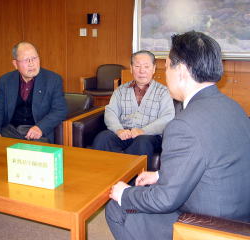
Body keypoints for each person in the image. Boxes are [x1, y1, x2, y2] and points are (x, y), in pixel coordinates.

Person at [105, 31, 250, 240]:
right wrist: (159, 176)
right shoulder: (232, 106)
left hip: (215, 224)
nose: (165, 74)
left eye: (167, 66)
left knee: (118, 209)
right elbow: (210, 160)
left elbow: (165, 200)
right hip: (238, 211)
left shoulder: (184, 124)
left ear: (180, 70)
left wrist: (125, 193)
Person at [92, 50, 175, 170]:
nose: (142, 71)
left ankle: (133, 184)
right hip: (124, 133)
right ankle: (103, 177)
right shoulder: (120, 90)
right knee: (103, 138)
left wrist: (143, 131)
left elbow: (167, 118)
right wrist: (118, 130)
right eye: (137, 66)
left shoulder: (164, 92)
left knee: (142, 142)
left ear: (153, 69)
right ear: (131, 68)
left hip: (149, 136)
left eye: (146, 66)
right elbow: (111, 112)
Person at [0, 41, 67, 143]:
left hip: (37, 133)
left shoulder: (53, 80)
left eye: (34, 58)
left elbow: (60, 110)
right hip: (10, 131)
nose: (31, 63)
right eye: (26, 60)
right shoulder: (5, 80)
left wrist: (40, 128)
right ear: (15, 64)